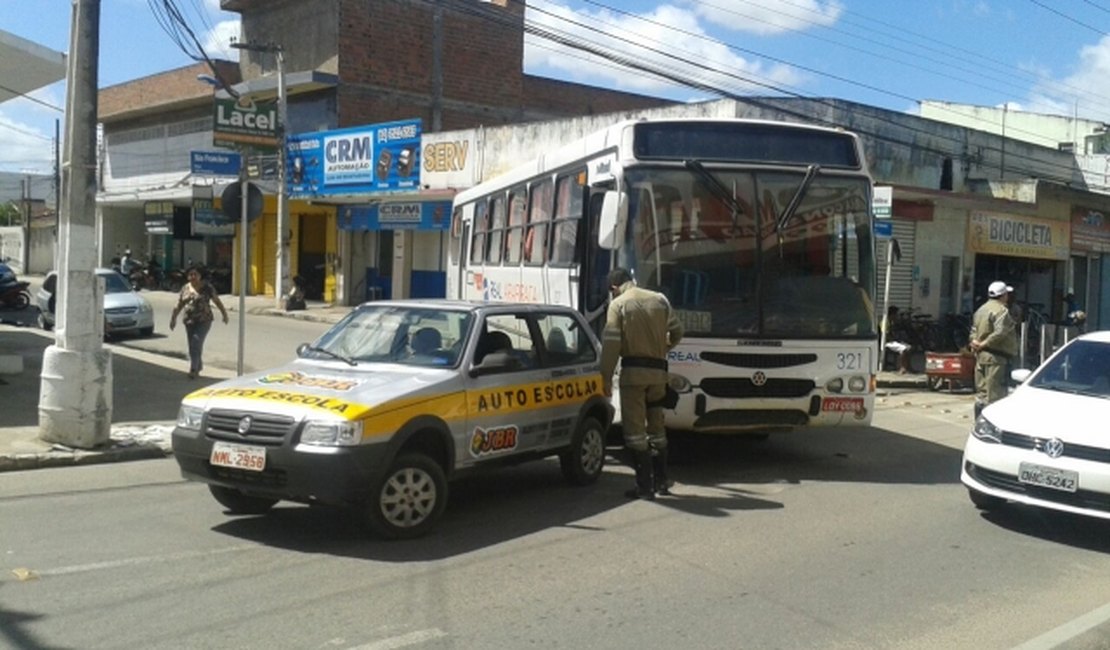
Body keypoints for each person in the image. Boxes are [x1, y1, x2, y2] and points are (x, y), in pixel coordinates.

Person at [600, 267, 684, 500]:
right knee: (657, 430)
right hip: (659, 376)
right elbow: (678, 332)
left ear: (615, 287)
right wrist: (663, 349)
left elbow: (611, 346)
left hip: (634, 378)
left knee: (635, 433)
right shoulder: (660, 300)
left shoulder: (618, 305)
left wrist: (605, 377)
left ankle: (644, 488)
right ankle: (662, 483)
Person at [969, 280, 1018, 418]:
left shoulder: (981, 309)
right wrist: (984, 343)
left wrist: (974, 342)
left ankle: (977, 420)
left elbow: (973, 329)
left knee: (982, 393)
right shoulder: (1001, 311)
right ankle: (989, 425)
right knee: (994, 395)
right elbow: (1000, 332)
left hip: (981, 357)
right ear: (1004, 295)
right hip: (996, 358)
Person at [170, 266, 229, 379]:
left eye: (195, 274)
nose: (193, 277)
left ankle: (193, 369)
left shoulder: (207, 287)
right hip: (189, 320)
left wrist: (224, 314)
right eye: (190, 275)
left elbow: (217, 301)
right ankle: (198, 365)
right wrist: (173, 319)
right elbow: (179, 304)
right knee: (192, 346)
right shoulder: (185, 288)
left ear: (200, 276)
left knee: (196, 342)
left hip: (204, 320)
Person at [882, 305, 912, 374]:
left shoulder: (892, 322)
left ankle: (907, 366)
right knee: (903, 349)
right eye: (895, 314)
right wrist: (894, 339)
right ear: (892, 314)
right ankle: (901, 367)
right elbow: (885, 335)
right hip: (887, 342)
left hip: (893, 341)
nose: (897, 316)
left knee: (909, 347)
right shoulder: (885, 322)